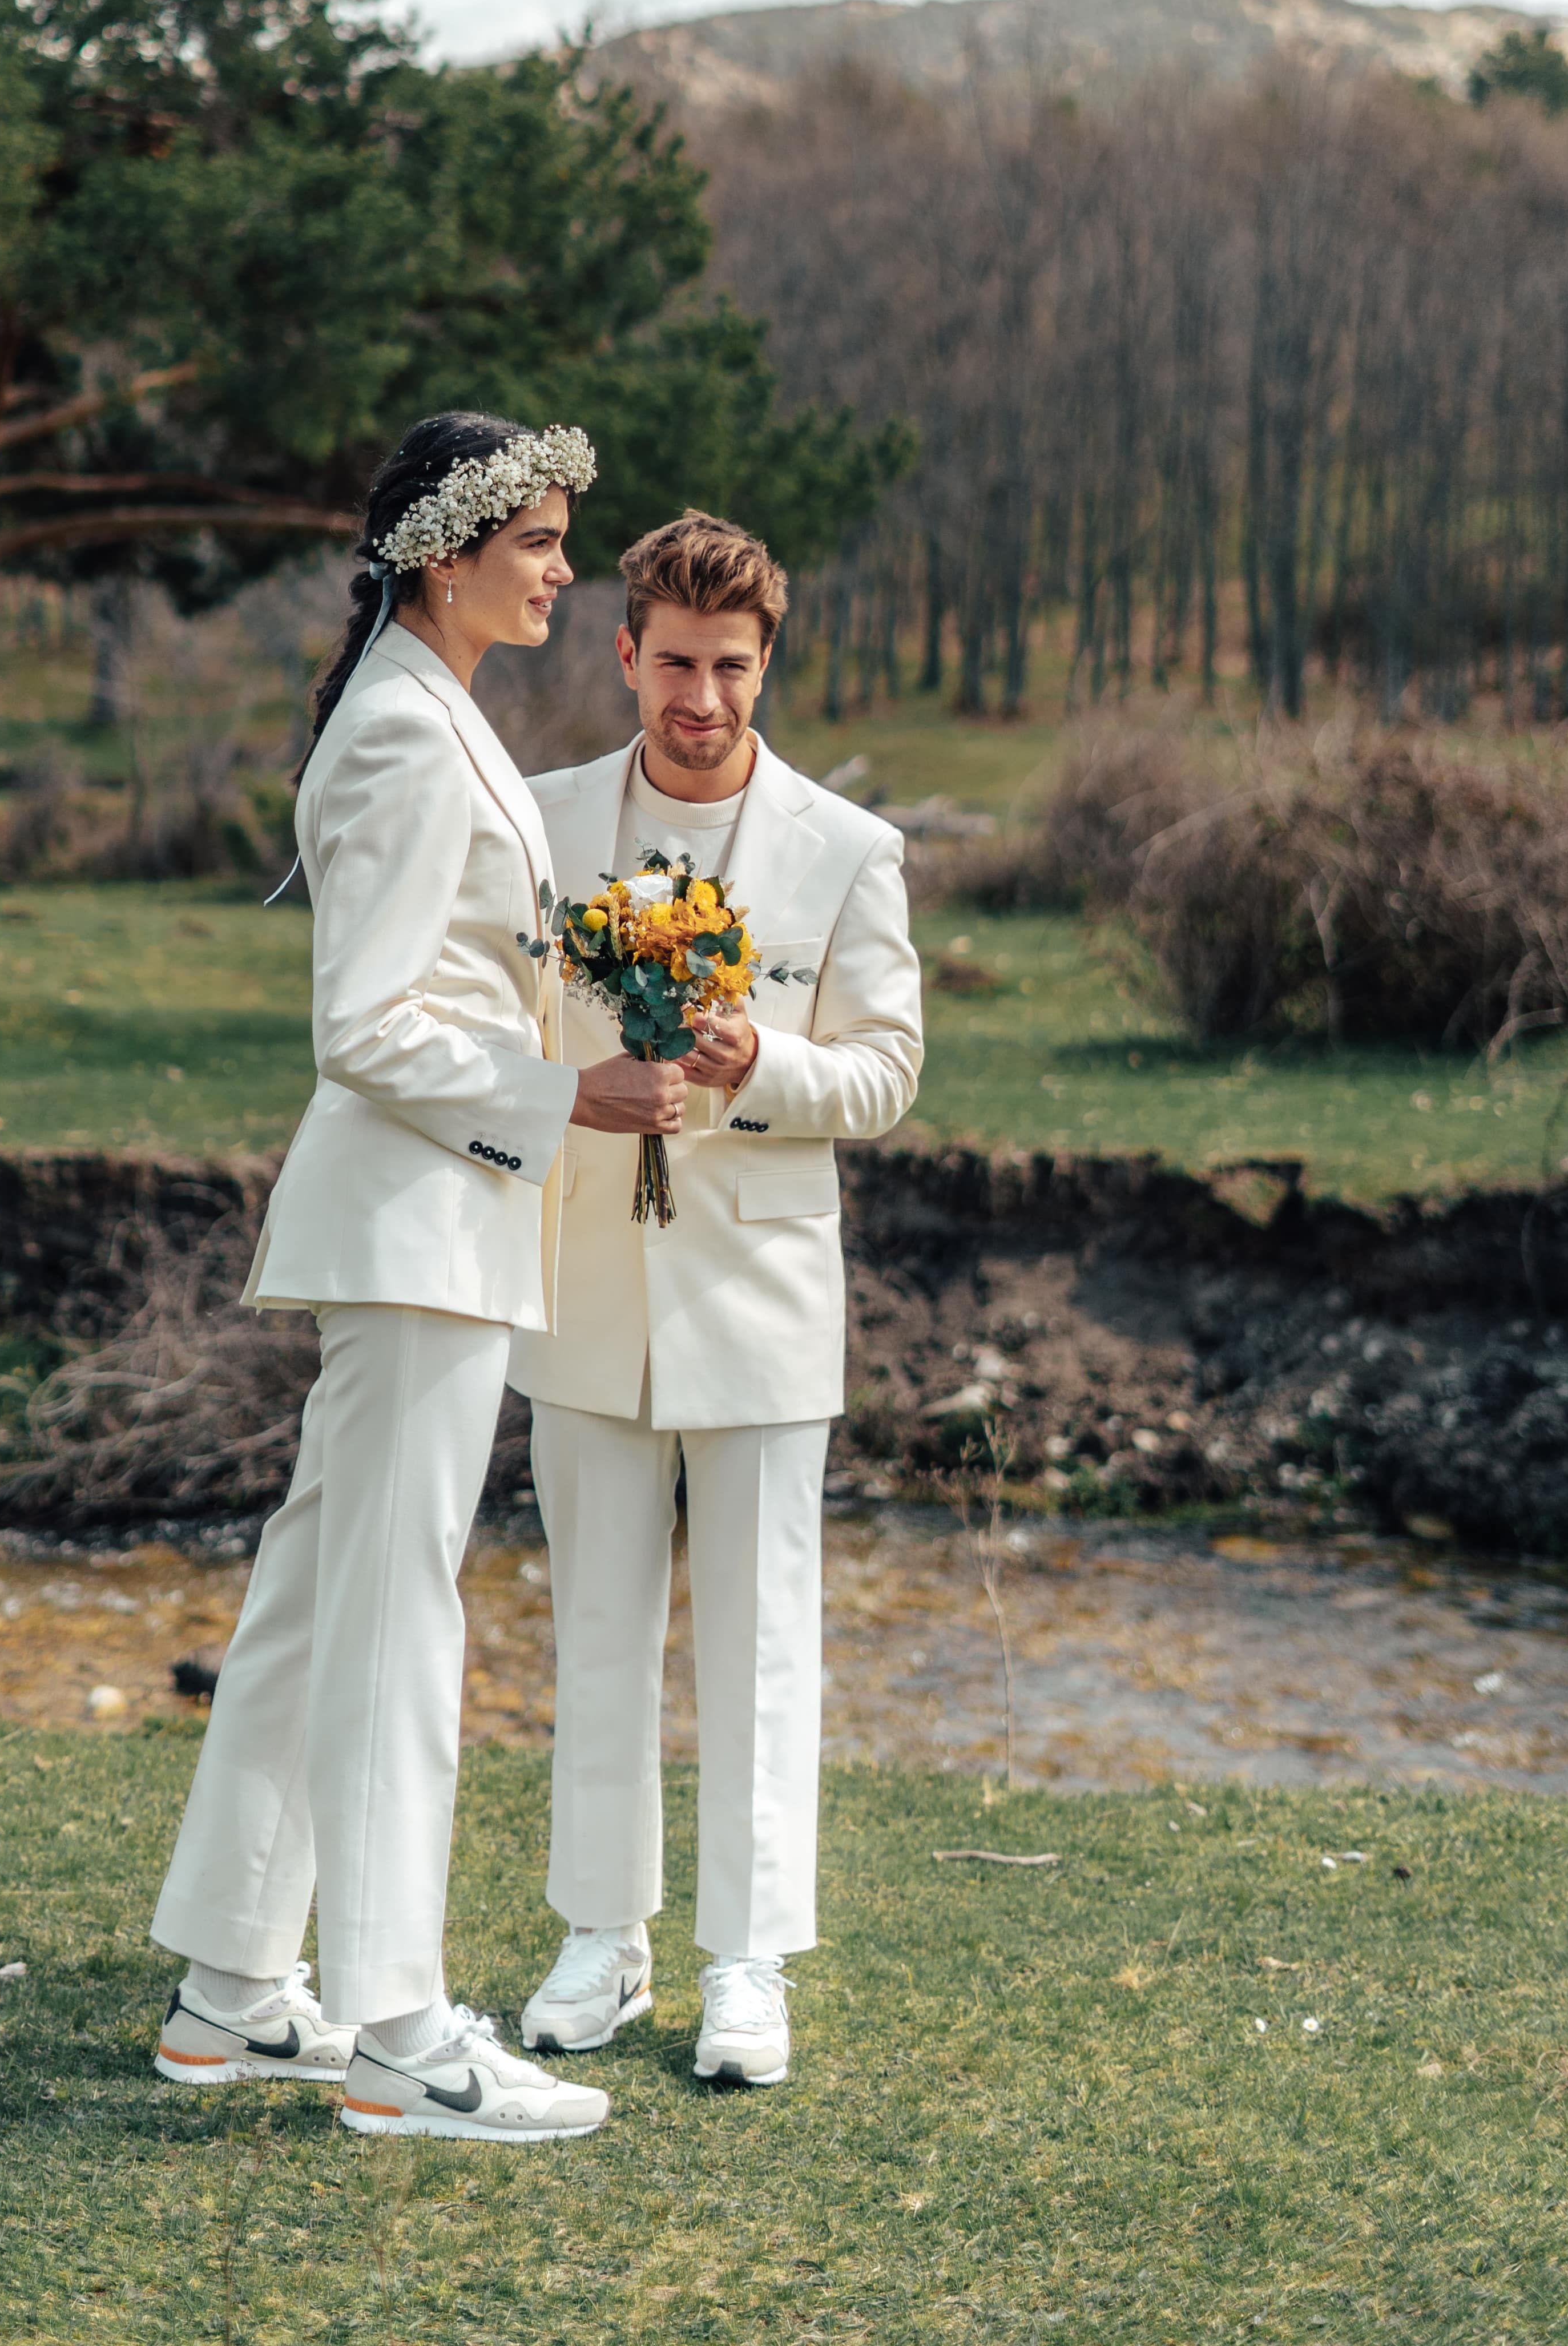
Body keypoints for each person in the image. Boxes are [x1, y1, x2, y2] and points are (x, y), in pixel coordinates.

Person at [147, 412, 685, 2145]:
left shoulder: (434, 717)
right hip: (414, 1228)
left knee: (320, 1605)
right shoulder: (393, 733)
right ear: (446, 554)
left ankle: (232, 1989)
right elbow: (366, 1024)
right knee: (394, 1626)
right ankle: (398, 2035)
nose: (558, 568)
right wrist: (563, 1095)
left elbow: (460, 981)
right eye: (534, 540)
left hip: (438, 1225)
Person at [511, 512, 925, 2088]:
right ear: (625, 654)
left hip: (761, 1291)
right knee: (596, 1626)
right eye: (674, 663)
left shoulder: (848, 848)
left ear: (770, 663)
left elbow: (887, 1071)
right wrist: (570, 1087)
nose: (701, 698)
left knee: (762, 1643)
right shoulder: (542, 826)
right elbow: (497, 1022)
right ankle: (599, 1941)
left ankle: (746, 1966)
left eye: (730, 667)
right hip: (584, 1285)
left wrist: (769, 1070)